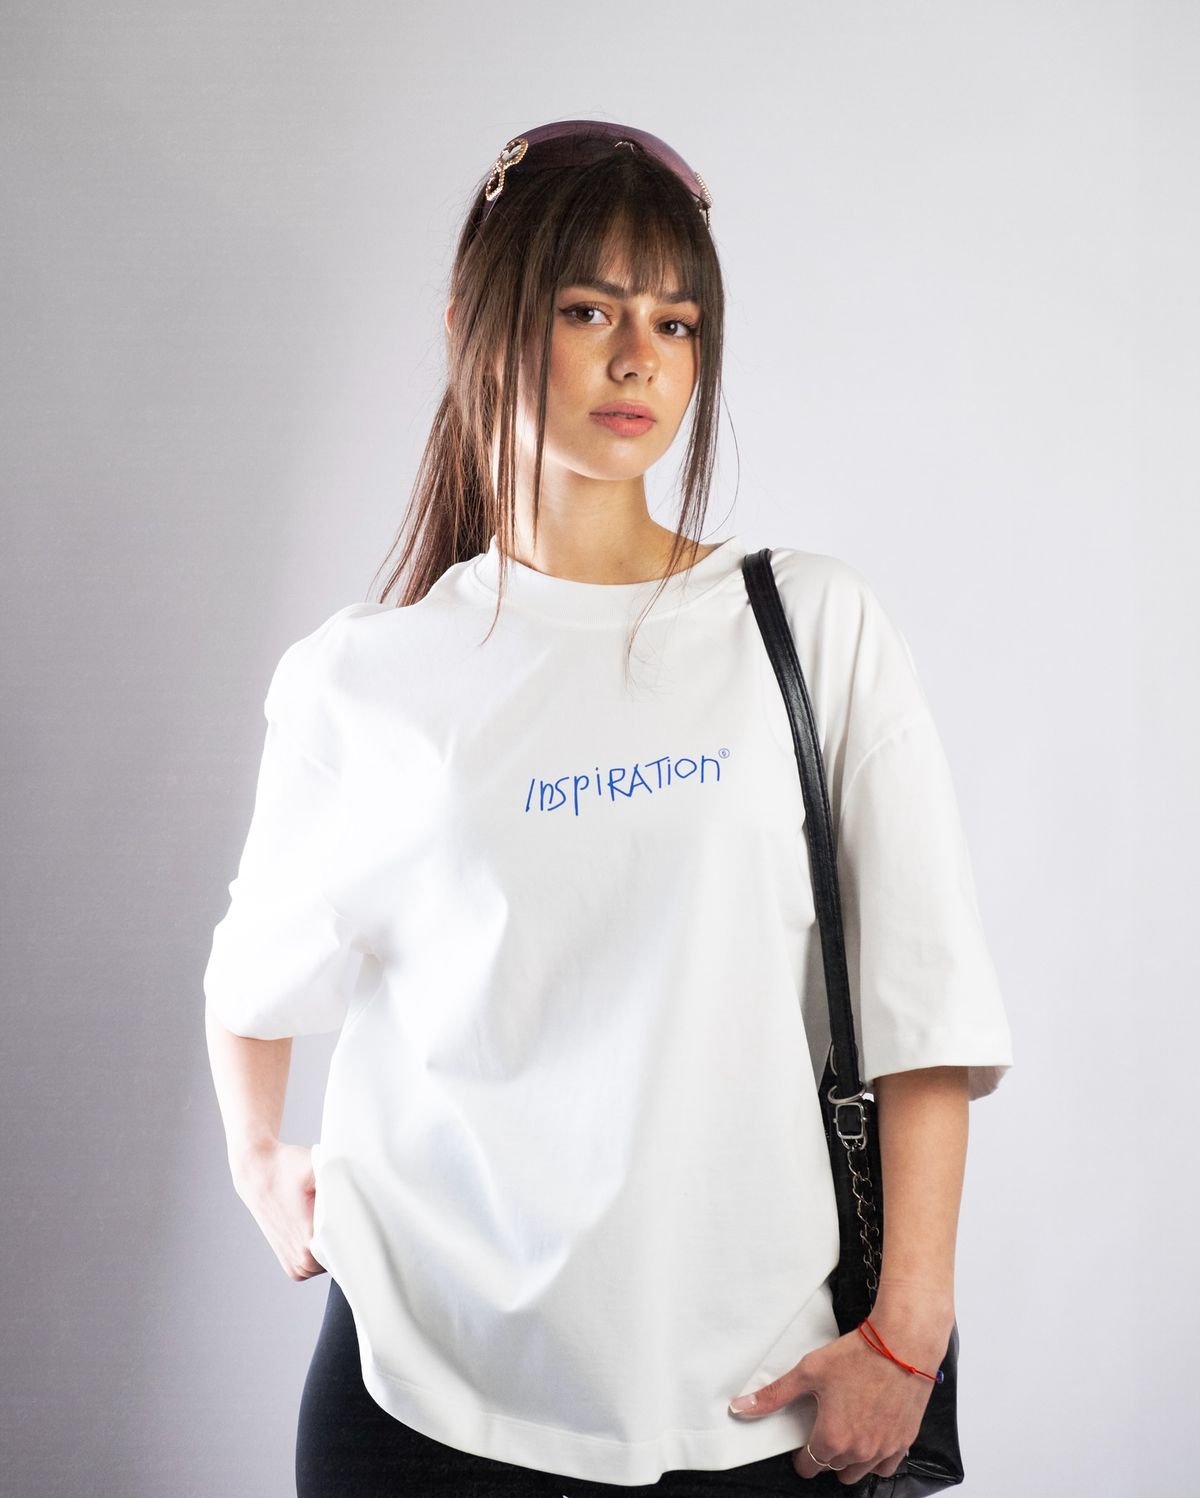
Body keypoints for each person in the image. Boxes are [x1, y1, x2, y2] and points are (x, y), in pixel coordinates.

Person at [203, 119, 1014, 1498]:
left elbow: (921, 1003)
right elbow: (253, 968)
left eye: (675, 322)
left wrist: (908, 1331)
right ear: (474, 327)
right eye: (589, 310)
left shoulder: (806, 627)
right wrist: (258, 1159)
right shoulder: (366, 677)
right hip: (418, 1393)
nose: (639, 357)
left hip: (752, 1396)